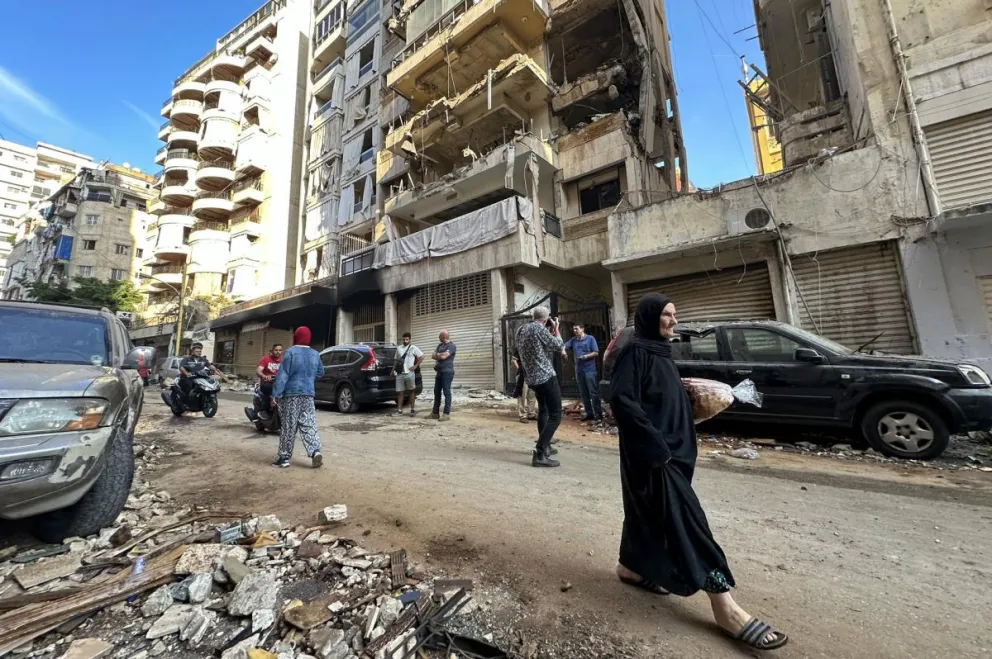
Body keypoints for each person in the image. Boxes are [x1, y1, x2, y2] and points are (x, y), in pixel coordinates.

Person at [609, 293, 788, 651]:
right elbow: (622, 401)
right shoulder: (636, 352)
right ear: (648, 318)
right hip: (655, 456)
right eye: (666, 315)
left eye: (675, 314)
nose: (674, 321)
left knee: (649, 513)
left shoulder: (659, 352)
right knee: (686, 521)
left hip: (674, 453)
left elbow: (659, 399)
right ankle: (725, 604)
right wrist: (656, 446)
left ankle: (631, 566)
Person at [515, 306, 564, 467]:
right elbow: (558, 345)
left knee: (543, 409)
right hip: (546, 377)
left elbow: (535, 347)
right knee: (556, 415)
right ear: (545, 319)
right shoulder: (539, 329)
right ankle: (540, 452)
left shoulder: (521, 330)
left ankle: (547, 446)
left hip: (532, 379)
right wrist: (556, 328)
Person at [272, 327, 324, 469]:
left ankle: (284, 458)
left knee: (289, 425)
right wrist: (309, 379)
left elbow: (282, 376)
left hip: (291, 395)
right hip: (308, 394)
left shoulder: (291, 352)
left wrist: (275, 394)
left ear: (296, 337)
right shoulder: (315, 354)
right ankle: (315, 451)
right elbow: (320, 372)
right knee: (309, 423)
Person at [563, 323, 602, 421]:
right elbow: (563, 345)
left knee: (593, 392)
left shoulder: (590, 339)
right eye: (573, 329)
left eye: (576, 329)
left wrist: (585, 356)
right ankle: (589, 413)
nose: (575, 331)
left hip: (589, 370)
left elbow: (596, 352)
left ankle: (598, 414)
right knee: (584, 393)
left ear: (582, 329)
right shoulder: (573, 340)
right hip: (579, 371)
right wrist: (563, 351)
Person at [392, 332, 423, 417]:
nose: (405, 341)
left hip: (410, 373)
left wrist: (415, 366)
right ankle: (399, 410)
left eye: (407, 339)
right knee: (399, 392)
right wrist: (393, 370)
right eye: (404, 339)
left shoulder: (413, 348)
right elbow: (396, 360)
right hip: (400, 374)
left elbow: (421, 356)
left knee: (411, 391)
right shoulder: (399, 348)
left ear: (410, 339)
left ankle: (412, 410)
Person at [430, 330, 456, 421]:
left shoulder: (452, 346)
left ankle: (446, 414)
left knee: (446, 392)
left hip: (447, 372)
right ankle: (435, 413)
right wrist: (439, 355)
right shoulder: (440, 345)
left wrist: (439, 355)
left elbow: (444, 357)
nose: (438, 338)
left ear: (443, 336)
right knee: (436, 391)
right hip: (439, 372)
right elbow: (433, 355)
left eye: (439, 336)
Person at [256, 343, 283, 417]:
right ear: (272, 351)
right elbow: (258, 371)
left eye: (280, 350)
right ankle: (265, 411)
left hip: (280, 384)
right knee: (270, 389)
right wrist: (264, 376)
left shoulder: (284, 360)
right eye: (276, 350)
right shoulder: (265, 359)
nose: (278, 352)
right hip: (267, 384)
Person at [511, 350, 537, 423]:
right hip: (522, 374)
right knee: (522, 394)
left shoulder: (534, 346)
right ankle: (522, 415)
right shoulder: (520, 345)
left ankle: (531, 413)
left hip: (533, 375)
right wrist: (520, 369)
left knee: (532, 394)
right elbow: (514, 360)